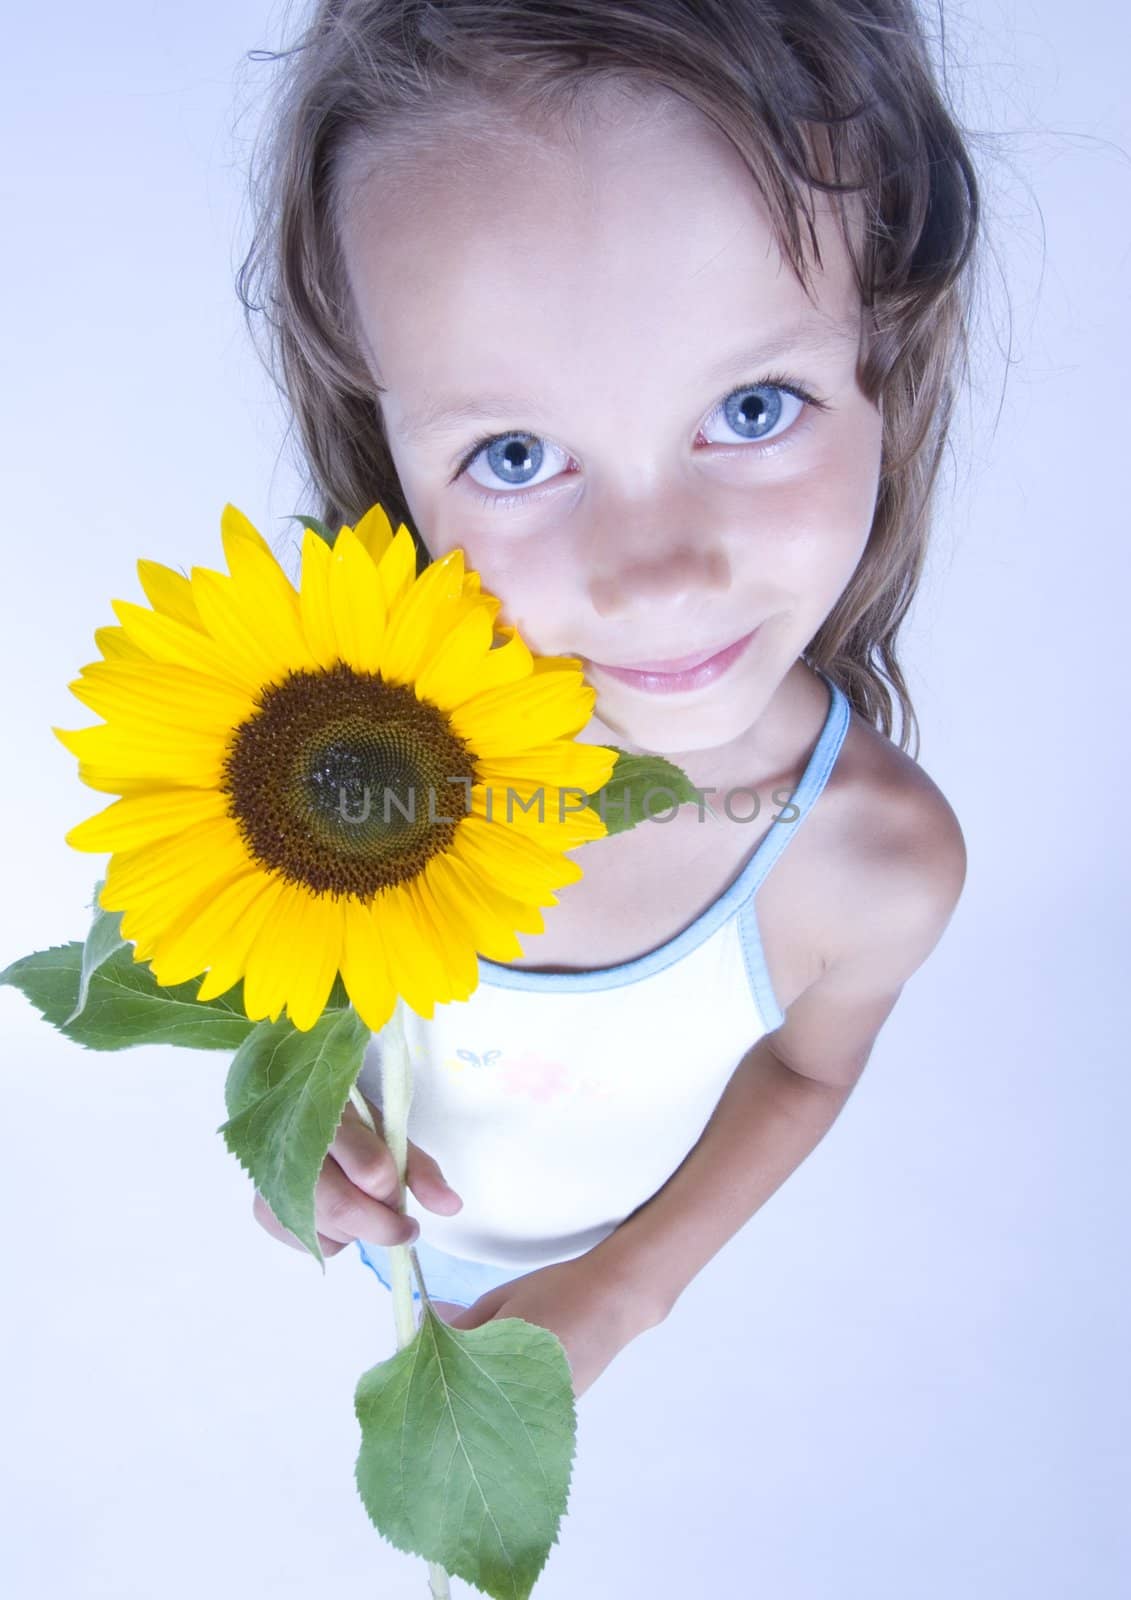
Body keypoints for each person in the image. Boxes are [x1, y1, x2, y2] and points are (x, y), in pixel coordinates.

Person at [246, 0, 979, 1398]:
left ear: (889, 354)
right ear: (382, 440)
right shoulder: (327, 765)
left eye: (753, 408)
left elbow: (806, 1077)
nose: (651, 578)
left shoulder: (869, 865)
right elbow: (293, 994)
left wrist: (623, 1295)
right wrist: (296, 1140)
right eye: (517, 452)